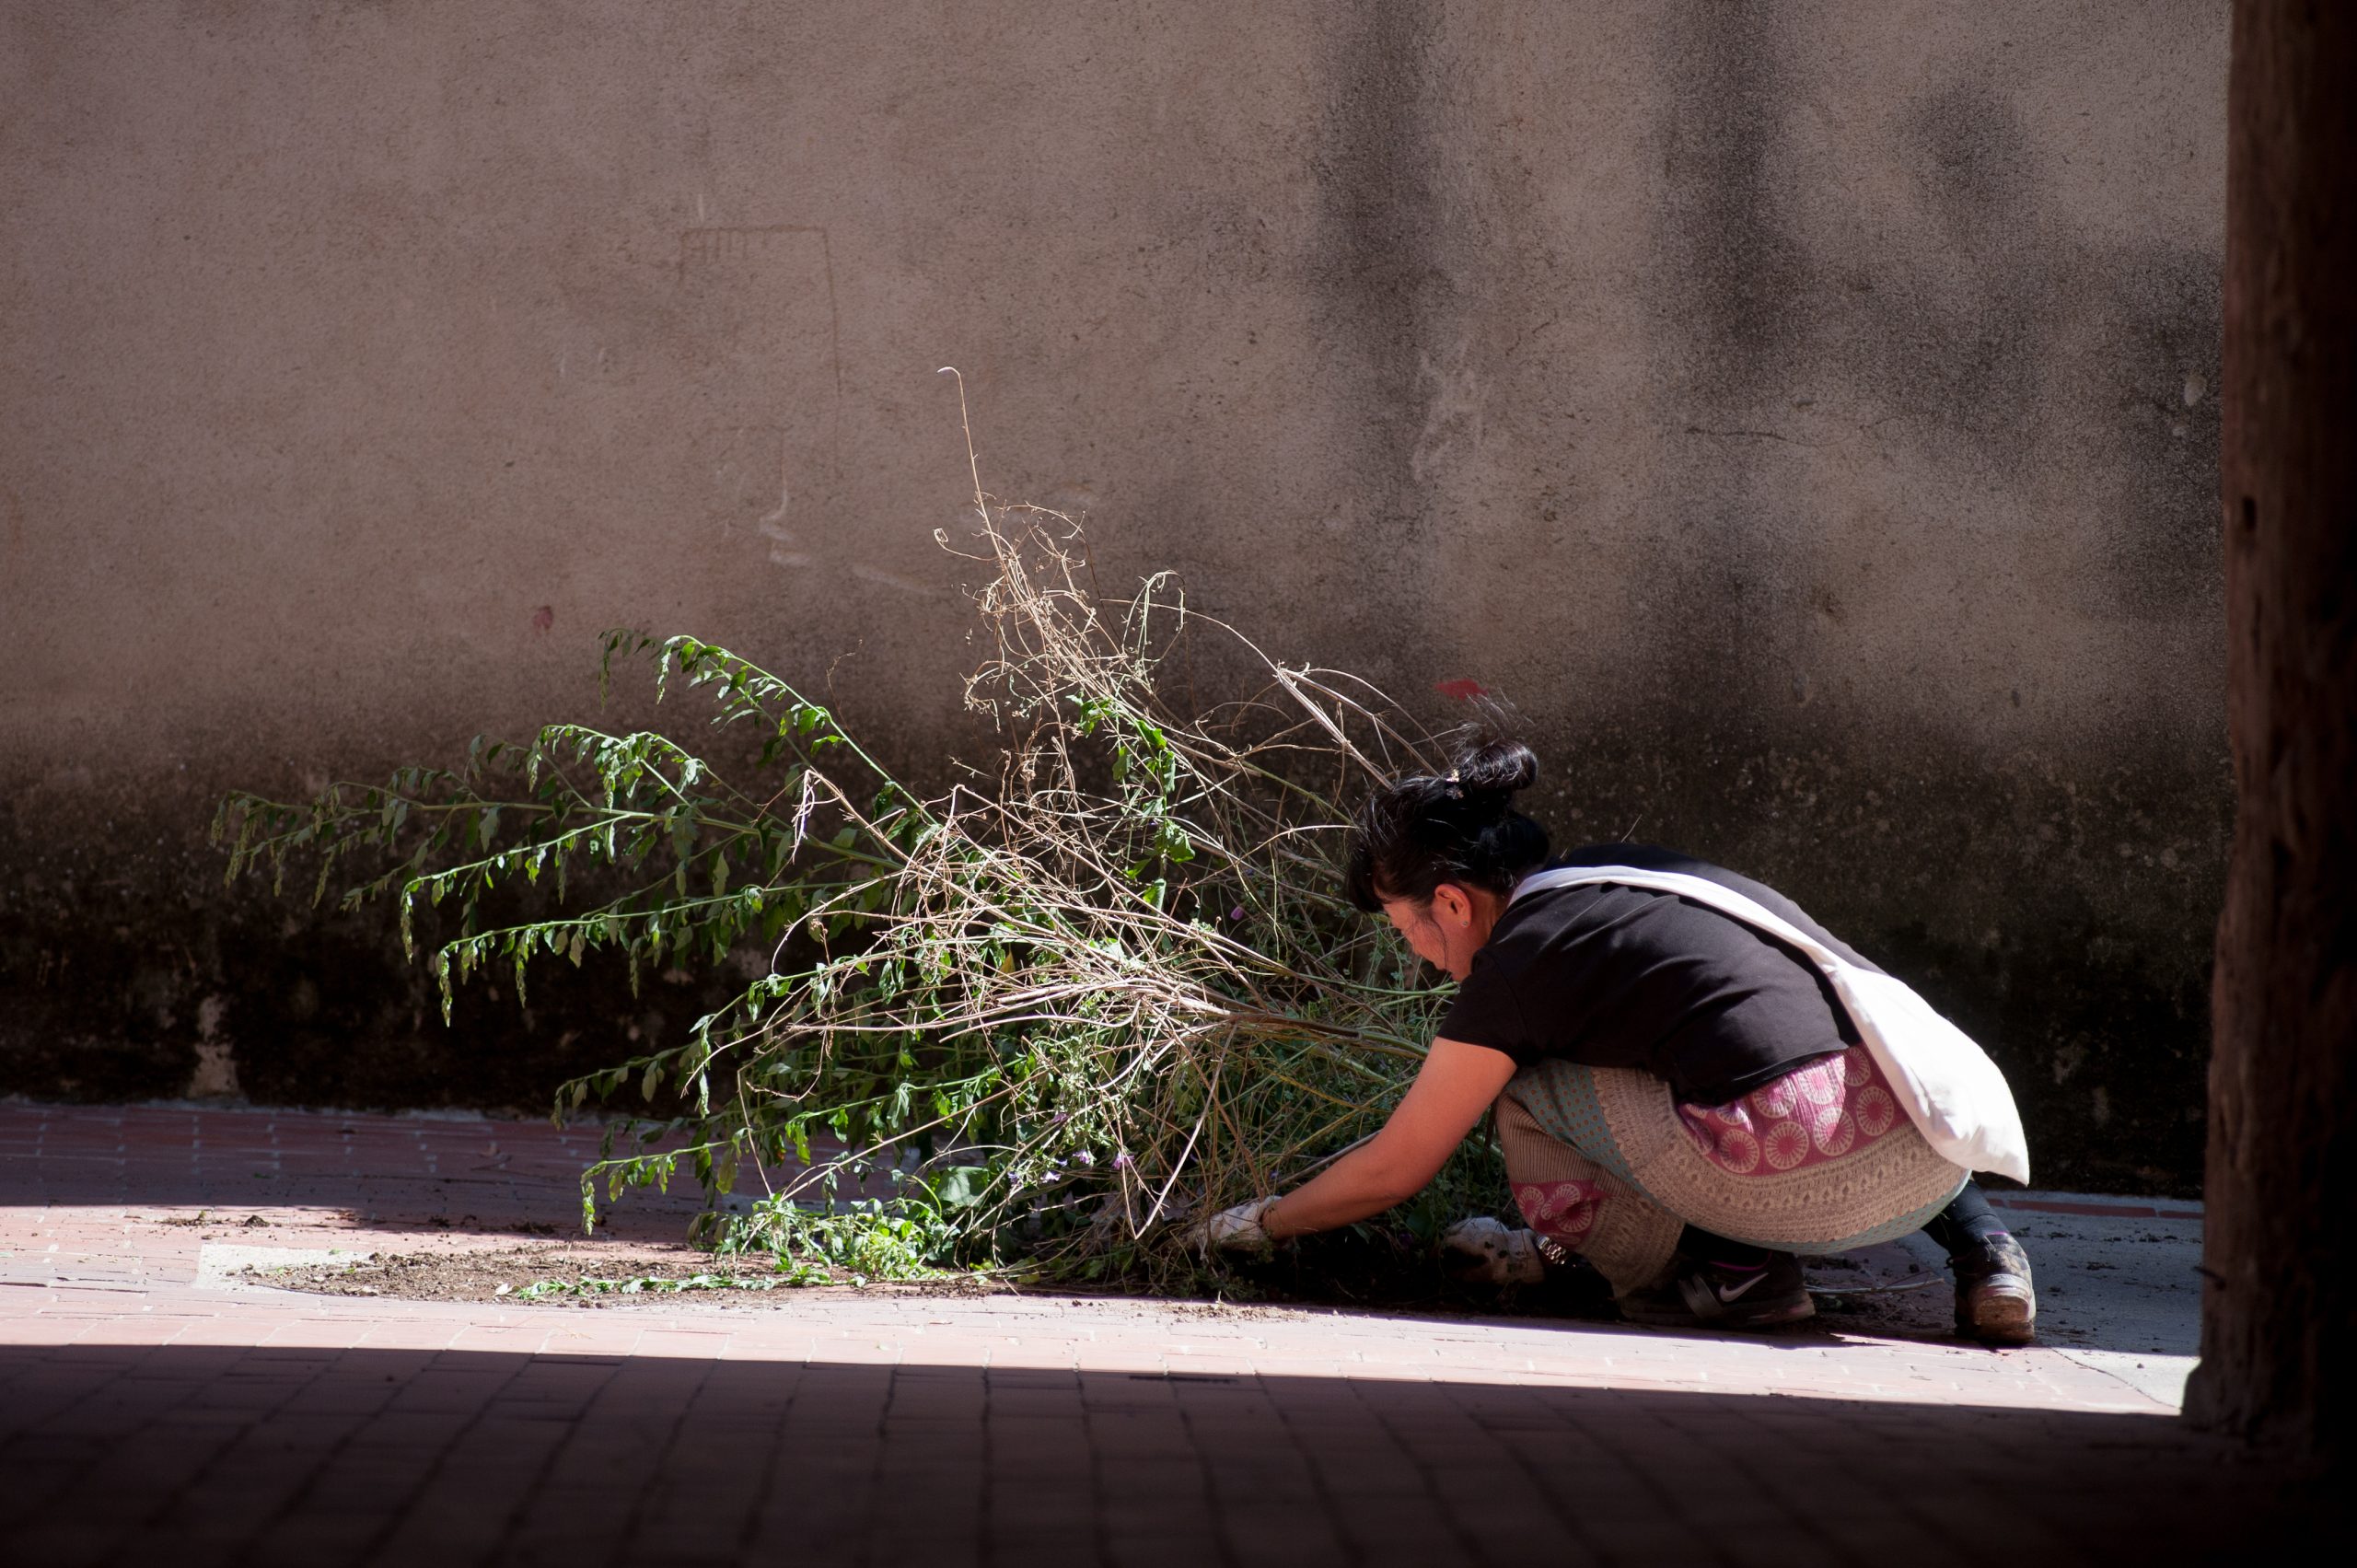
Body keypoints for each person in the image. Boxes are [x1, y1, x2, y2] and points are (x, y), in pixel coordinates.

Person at [1189, 738, 2038, 1343]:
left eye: (1407, 928)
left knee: (1520, 1085)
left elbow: (1399, 1166)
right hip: (1934, 1145)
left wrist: (1262, 1221)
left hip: (1800, 1166)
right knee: (1728, 1059)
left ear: (1451, 902)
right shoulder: (1622, 878)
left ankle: (1726, 1273)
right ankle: (1989, 1251)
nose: (1417, 955)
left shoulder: (1516, 964)